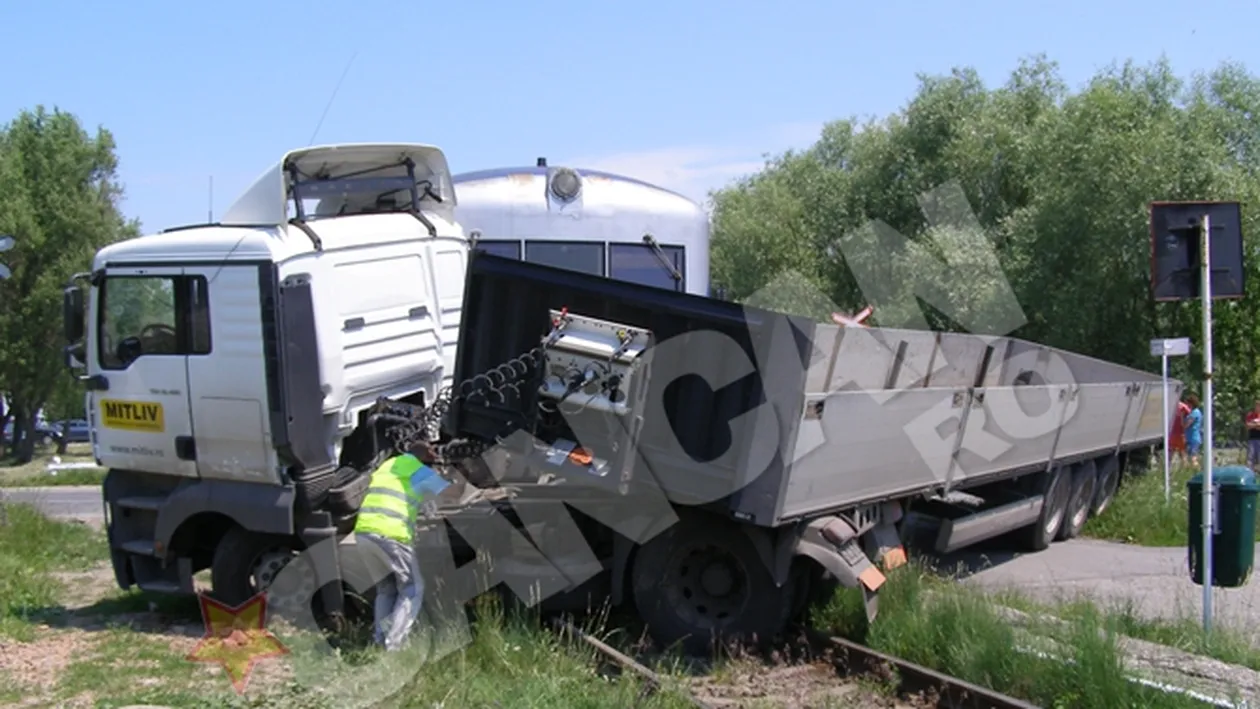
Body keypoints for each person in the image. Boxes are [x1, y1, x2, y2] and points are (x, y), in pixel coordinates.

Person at [353, 442, 452, 652]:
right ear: (424, 459)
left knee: (385, 589)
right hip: (391, 534)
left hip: (364, 532)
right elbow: (449, 492)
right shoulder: (417, 470)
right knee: (412, 588)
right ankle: (395, 645)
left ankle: (379, 640)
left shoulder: (388, 465)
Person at [1183, 394, 1204, 469]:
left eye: (1187, 403)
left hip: (1193, 438)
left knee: (1193, 458)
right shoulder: (1192, 412)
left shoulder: (1195, 412)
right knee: (1187, 457)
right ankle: (1190, 471)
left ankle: (1199, 471)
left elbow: (1187, 424)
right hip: (1190, 438)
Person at [1170, 398, 1190, 466]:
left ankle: (1167, 468)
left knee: (1170, 453)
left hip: (1171, 433)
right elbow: (1189, 415)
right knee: (1182, 453)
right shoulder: (1183, 406)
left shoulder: (1169, 405)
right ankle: (1186, 469)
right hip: (1181, 433)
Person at [1246, 400, 1260, 470]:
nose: (1258, 407)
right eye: (1257, 406)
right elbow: (1248, 426)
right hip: (1252, 439)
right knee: (1250, 458)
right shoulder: (1250, 415)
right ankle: (1250, 472)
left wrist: (1253, 425)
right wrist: (1257, 425)